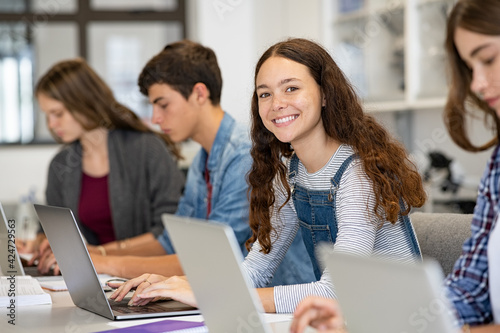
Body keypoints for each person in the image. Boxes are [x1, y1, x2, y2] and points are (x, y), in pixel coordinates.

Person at [109, 37, 426, 313]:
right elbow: (254, 271)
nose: (277, 104)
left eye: (291, 88)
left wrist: (211, 295)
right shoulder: (290, 172)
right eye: (265, 94)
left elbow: (335, 291)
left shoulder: (356, 175)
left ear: (325, 94)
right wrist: (174, 284)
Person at [292, 0, 500, 331]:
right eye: (469, 67)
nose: (476, 84)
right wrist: (371, 321)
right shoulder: (498, 167)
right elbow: (469, 292)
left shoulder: (353, 173)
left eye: (488, 59)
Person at [90, 40, 315, 286]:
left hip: (279, 307)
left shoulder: (245, 154)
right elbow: (170, 242)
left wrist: (106, 263)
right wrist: (99, 253)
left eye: (163, 104)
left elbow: (208, 257)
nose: (155, 118)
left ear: (199, 93)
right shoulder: (202, 159)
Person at [29, 58, 185, 274]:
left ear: (83, 103)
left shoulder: (146, 149)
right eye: (47, 115)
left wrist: (97, 254)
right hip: (96, 276)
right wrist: (38, 243)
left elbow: (169, 232)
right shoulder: (62, 164)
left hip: (148, 278)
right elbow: (49, 227)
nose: (51, 125)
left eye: (58, 114)